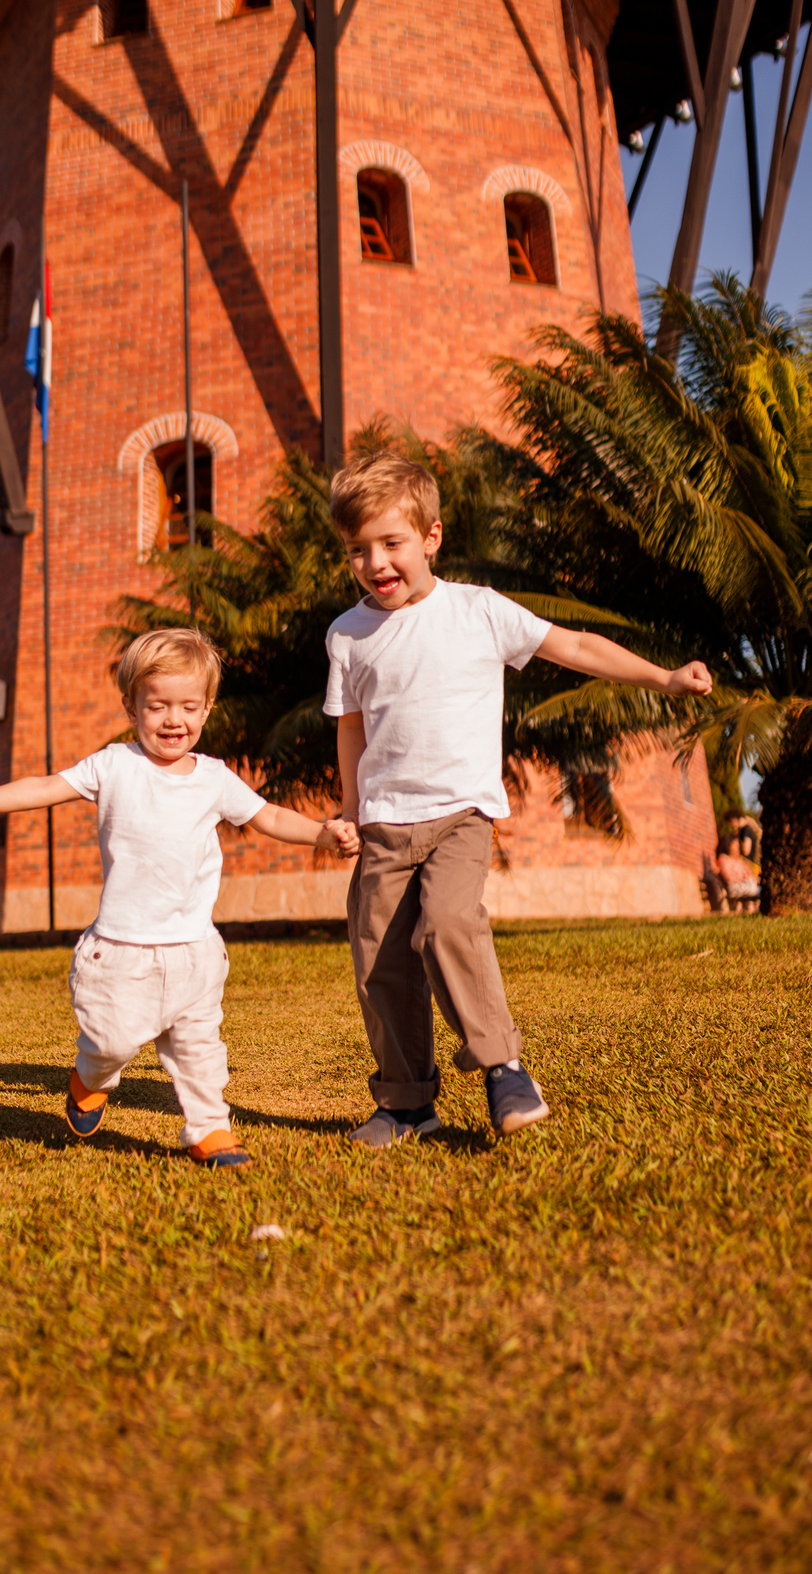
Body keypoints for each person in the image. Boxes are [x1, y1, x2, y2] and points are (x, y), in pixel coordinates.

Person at [324, 452, 713, 1148]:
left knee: (446, 925)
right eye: (358, 550)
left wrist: (663, 679)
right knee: (378, 960)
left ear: (432, 537)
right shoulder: (348, 636)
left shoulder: (478, 611)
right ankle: (408, 1103)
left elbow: (575, 646)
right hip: (384, 825)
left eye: (392, 543)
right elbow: (350, 726)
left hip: (458, 816)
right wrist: (352, 805)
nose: (375, 562)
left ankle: (503, 1066)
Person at [0, 628, 358, 1166]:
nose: (174, 719)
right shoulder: (113, 766)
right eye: (158, 706)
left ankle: (208, 1129)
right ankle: (91, 1077)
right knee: (111, 1042)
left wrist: (321, 830)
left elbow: (267, 815)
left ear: (207, 709)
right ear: (132, 707)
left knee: (200, 1050)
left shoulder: (214, 779)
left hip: (195, 950)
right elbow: (42, 788)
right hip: (120, 952)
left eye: (188, 706)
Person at [715, 834, 760, 913]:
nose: (738, 846)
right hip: (735, 887)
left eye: (738, 844)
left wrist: (749, 877)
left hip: (745, 886)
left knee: (754, 884)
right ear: (728, 845)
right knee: (754, 887)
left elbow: (748, 872)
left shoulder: (740, 860)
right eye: (735, 844)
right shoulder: (724, 859)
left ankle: (754, 909)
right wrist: (741, 878)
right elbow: (728, 877)